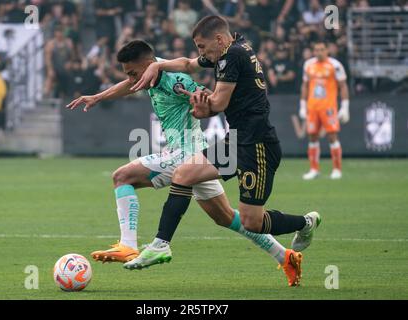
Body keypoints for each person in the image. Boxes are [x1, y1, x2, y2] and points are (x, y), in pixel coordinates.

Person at [66, 40, 301, 286]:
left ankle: (128, 244)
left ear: (149, 65)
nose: (132, 78)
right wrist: (98, 96)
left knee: (122, 177)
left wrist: (202, 101)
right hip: (195, 155)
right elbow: (130, 85)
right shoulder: (149, 76)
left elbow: (207, 96)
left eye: (134, 72)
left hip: (186, 153)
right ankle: (286, 256)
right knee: (225, 218)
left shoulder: (174, 80)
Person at [128, 16, 321, 286]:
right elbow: (187, 64)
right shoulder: (228, 50)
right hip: (236, 140)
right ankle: (161, 244)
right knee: (184, 174)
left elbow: (217, 104)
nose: (201, 53)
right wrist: (157, 66)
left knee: (253, 221)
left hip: (258, 146)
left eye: (202, 46)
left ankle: (305, 222)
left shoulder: (234, 56)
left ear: (219, 39)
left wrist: (198, 105)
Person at [299, 40, 350, 180]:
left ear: (327, 50)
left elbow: (343, 86)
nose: (319, 52)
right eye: (316, 49)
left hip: (328, 107)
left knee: (332, 136)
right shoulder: (308, 65)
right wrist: (302, 106)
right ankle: (314, 169)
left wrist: (345, 107)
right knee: (312, 136)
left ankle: (337, 169)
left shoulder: (335, 65)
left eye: (321, 49)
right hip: (313, 107)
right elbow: (305, 85)